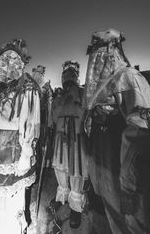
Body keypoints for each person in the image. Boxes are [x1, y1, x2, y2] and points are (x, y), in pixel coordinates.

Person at [83, 28, 150, 233]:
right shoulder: (97, 89)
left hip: (122, 170)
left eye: (100, 54)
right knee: (111, 216)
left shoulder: (129, 78)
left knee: (129, 221)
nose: (96, 61)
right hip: (103, 166)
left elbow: (140, 133)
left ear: (113, 50)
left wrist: (130, 183)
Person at [0, 39, 41, 234]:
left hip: (12, 149)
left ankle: (14, 230)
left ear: (21, 62)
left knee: (10, 200)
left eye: (13, 58)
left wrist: (26, 153)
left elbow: (31, 122)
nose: (8, 62)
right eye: (4, 58)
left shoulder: (28, 86)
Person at [51, 60, 88, 229]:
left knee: (76, 171)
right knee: (60, 168)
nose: (67, 79)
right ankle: (62, 197)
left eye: (70, 76)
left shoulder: (82, 93)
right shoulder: (58, 97)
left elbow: (86, 113)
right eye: (65, 77)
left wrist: (76, 98)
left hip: (76, 136)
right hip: (60, 136)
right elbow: (53, 118)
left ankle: (75, 207)